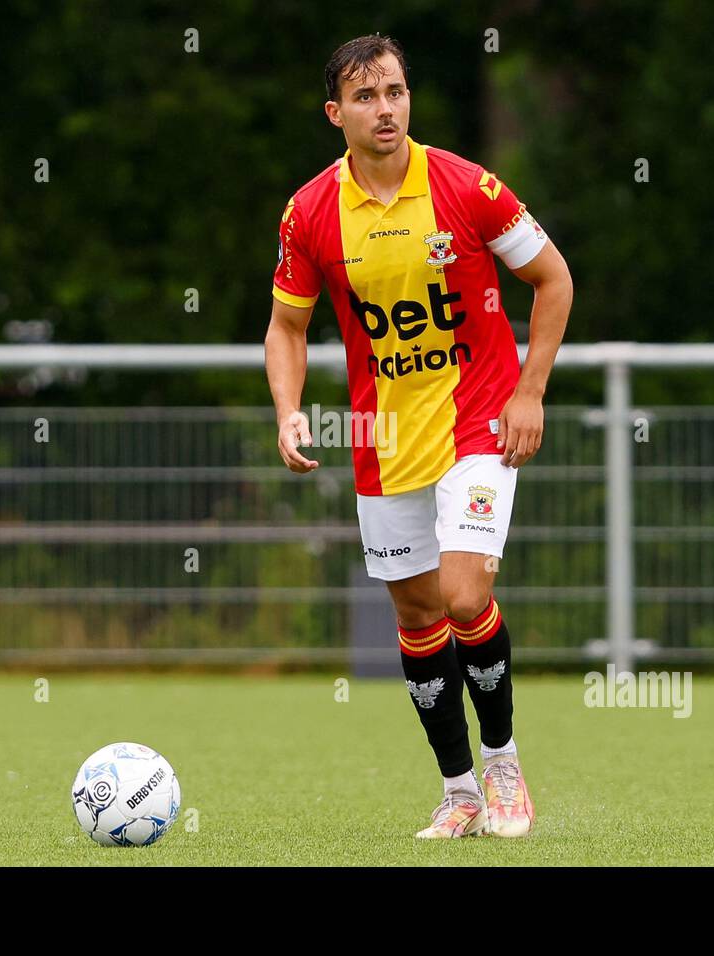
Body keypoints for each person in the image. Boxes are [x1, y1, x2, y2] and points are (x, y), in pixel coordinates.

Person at [264, 34, 573, 838]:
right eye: (366, 97)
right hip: (384, 437)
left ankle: (504, 766)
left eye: (396, 92)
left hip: (479, 422)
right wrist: (288, 407)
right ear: (336, 114)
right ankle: (460, 791)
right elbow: (286, 328)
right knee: (416, 616)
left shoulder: (470, 188)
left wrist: (530, 392)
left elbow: (553, 279)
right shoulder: (310, 212)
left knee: (466, 593)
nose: (386, 109)